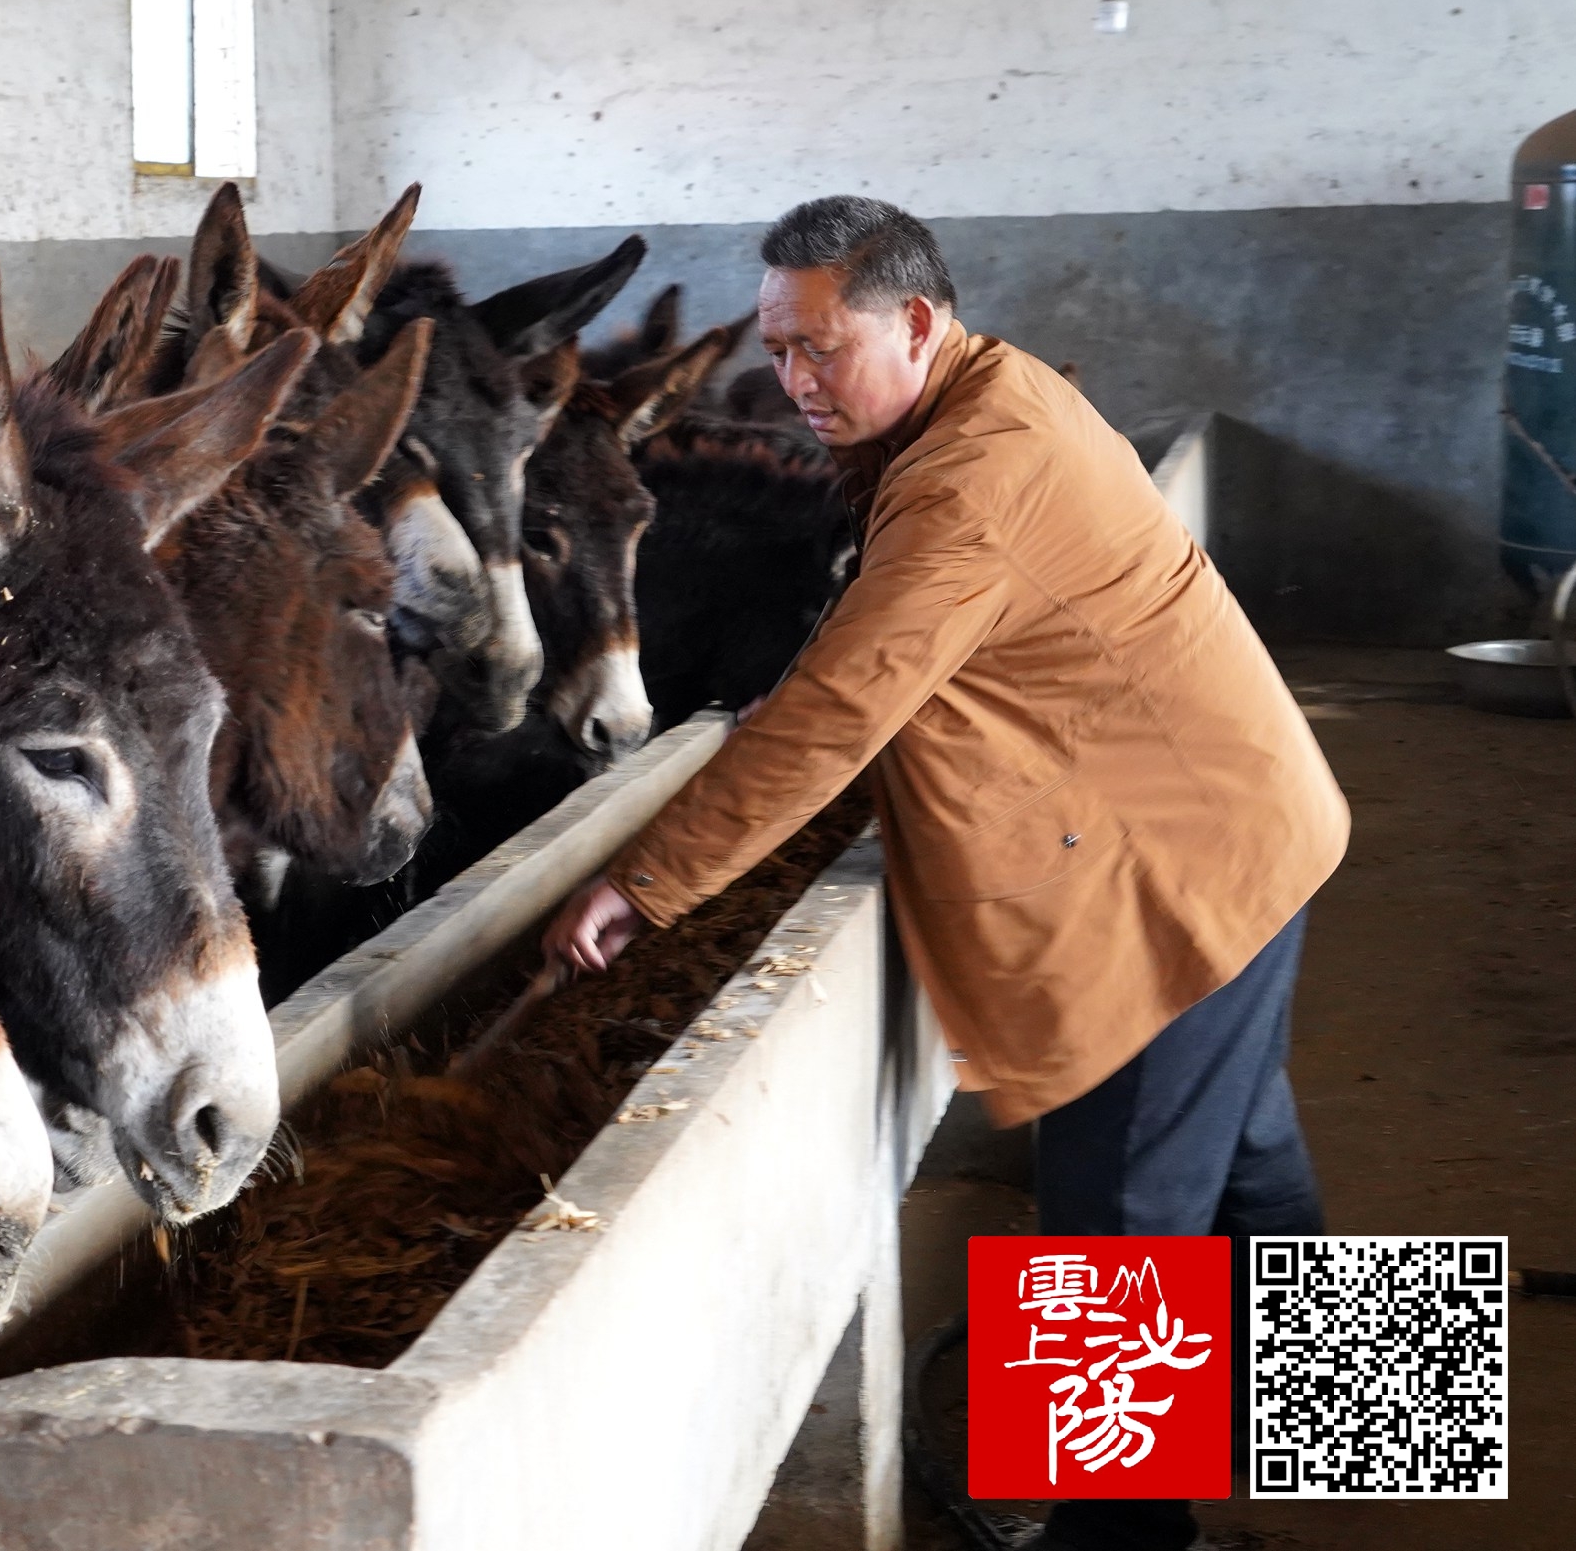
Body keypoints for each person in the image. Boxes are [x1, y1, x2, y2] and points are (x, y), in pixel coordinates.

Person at [543, 197, 1344, 1551]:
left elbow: (849, 700)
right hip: (1240, 826)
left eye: (817, 350)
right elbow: (878, 649)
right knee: (1242, 1157)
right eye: (777, 351)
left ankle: (1118, 1542)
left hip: (1168, 864)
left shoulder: (976, 473)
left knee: (1114, 1230)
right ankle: (1355, 1439)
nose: (793, 383)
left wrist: (649, 878)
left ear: (914, 321)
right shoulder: (984, 393)